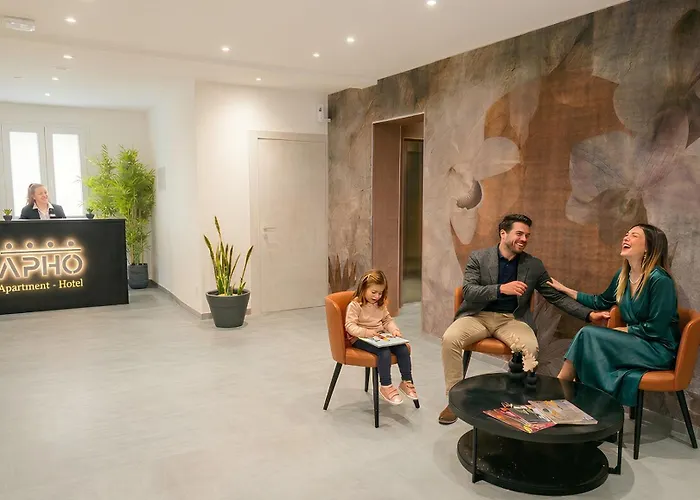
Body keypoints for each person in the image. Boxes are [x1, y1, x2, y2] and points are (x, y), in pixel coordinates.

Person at [438, 214, 607, 425]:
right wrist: (501, 289)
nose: (524, 239)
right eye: (519, 234)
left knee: (530, 348)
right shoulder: (479, 257)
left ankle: (518, 400)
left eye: (527, 235)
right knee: (450, 339)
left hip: (512, 319)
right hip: (477, 316)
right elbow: (469, 291)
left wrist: (589, 314)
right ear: (503, 233)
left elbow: (555, 297)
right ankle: (453, 399)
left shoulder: (533, 265)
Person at [549, 224, 680, 407]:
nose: (626, 238)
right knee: (588, 340)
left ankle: (565, 391)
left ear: (648, 247)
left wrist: (624, 330)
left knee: (587, 334)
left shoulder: (660, 280)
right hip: (634, 343)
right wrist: (565, 289)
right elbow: (600, 302)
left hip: (657, 349)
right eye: (626, 234)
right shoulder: (623, 276)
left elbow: (656, 328)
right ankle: (577, 398)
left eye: (634, 235)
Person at [345, 269, 418, 405]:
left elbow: (387, 320)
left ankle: (406, 382)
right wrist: (366, 332)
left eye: (380, 293)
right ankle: (386, 386)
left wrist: (394, 330)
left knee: (403, 348)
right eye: (373, 292)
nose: (377, 296)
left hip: (379, 336)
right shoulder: (355, 305)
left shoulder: (380, 304)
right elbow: (350, 326)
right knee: (383, 352)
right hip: (360, 338)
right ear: (363, 288)